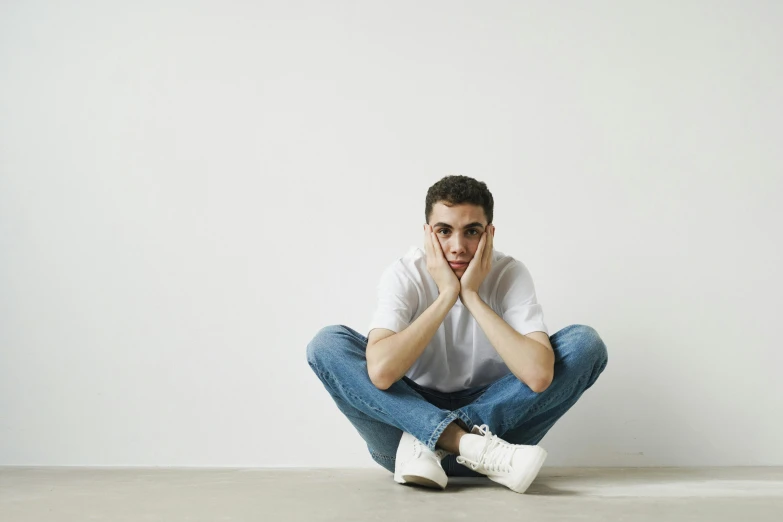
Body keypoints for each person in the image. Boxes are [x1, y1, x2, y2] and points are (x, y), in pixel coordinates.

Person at [306, 175, 608, 494]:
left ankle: (435, 439)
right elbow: (381, 373)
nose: (458, 247)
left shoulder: (510, 273)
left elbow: (537, 375)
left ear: (489, 233)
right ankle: (460, 442)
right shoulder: (404, 273)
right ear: (427, 233)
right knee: (328, 344)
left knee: (584, 344)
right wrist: (447, 295)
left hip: (494, 430)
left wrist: (472, 297)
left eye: (472, 232)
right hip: (411, 434)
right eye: (444, 231)